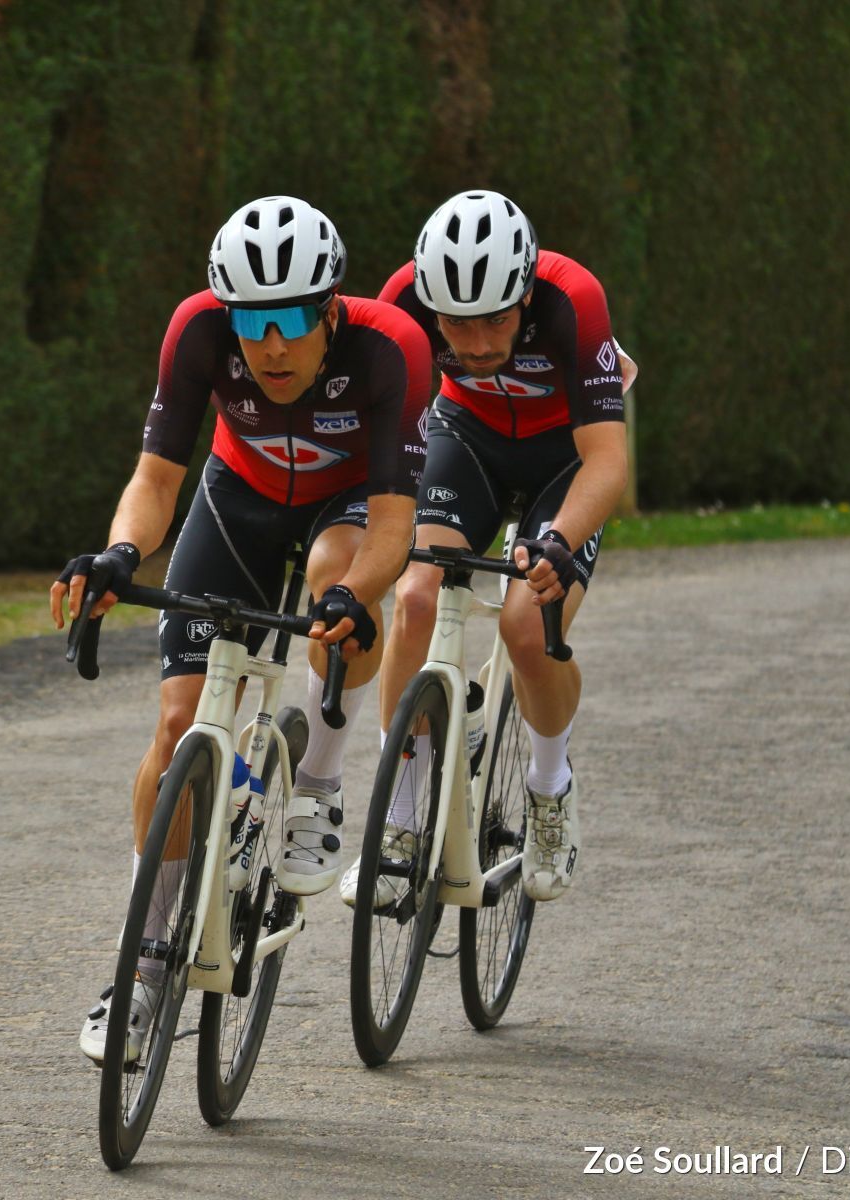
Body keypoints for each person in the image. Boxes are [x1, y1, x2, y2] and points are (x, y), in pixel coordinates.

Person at [50, 196, 431, 1062]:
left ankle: (322, 783)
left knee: (341, 581)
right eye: (253, 321)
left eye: (294, 317)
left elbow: (394, 526)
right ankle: (143, 970)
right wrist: (119, 553)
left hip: (343, 507)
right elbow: (156, 478)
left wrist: (352, 599)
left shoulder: (389, 350)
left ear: (332, 308)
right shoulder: (196, 334)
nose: (272, 344)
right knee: (179, 722)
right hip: (240, 496)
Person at [342, 189, 637, 910]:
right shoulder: (401, 299)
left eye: (495, 321)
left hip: (563, 454)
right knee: (412, 599)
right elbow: (386, 442)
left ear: (526, 291)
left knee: (525, 624)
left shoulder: (573, 300)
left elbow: (607, 461)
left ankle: (549, 787)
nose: (473, 345)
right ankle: (402, 818)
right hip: (466, 437)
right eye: (455, 325)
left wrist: (558, 544)